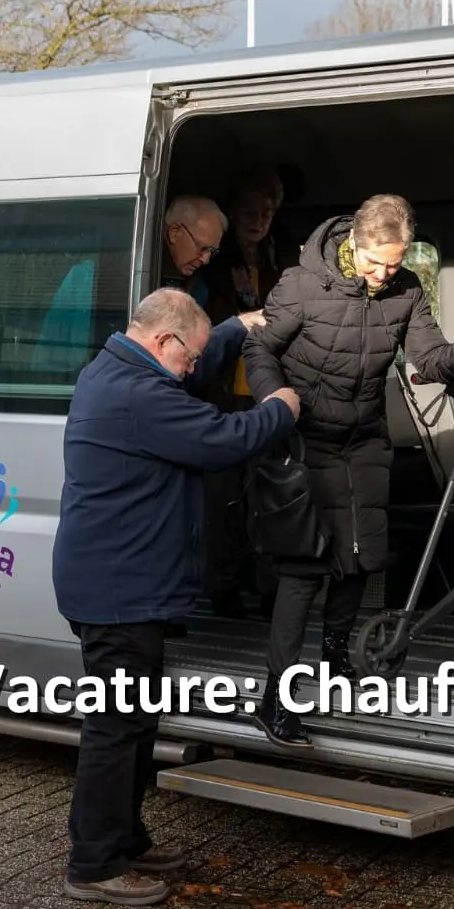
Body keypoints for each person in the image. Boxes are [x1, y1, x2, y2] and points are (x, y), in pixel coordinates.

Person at [52, 287, 300, 906]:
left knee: (135, 723)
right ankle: (94, 865)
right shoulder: (139, 395)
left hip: (123, 585)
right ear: (162, 343)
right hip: (119, 593)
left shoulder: (117, 369)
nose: (194, 370)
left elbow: (187, 358)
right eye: (188, 358)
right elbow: (224, 438)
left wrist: (231, 329)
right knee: (114, 730)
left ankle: (125, 841)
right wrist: (282, 408)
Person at [242, 193, 454, 747]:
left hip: (363, 438)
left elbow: (431, 361)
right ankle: (278, 697)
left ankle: (338, 663)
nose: (385, 274)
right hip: (304, 437)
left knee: (362, 555)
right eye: (376, 262)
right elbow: (258, 350)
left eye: (395, 262)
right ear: (355, 242)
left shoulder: (407, 290)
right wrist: (276, 400)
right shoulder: (300, 284)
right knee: (303, 569)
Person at [198, 166, 288, 617]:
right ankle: (224, 588)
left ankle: (268, 586)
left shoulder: (277, 262)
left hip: (261, 389)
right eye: (250, 211)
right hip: (221, 395)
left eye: (268, 212)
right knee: (225, 498)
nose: (259, 219)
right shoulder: (212, 265)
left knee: (268, 492)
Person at [34, 195, 233, 377]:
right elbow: (52, 355)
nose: (206, 260)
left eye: (212, 252)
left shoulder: (199, 288)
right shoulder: (89, 278)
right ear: (174, 233)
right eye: (202, 248)